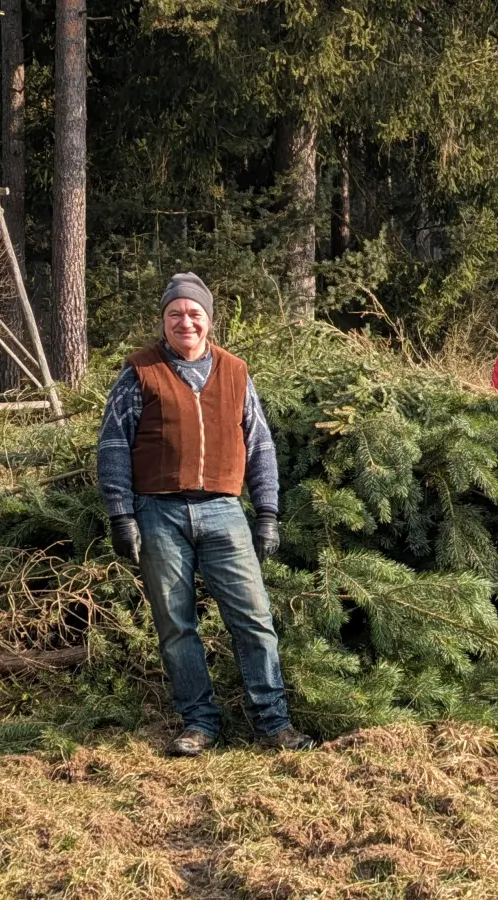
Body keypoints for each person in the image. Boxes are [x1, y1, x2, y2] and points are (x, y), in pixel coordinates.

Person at [98, 272, 315, 756]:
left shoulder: (236, 372)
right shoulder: (139, 372)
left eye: (194, 313)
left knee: (254, 619)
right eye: (175, 313)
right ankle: (199, 722)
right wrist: (121, 516)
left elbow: (260, 445)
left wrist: (267, 513)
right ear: (163, 321)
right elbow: (113, 445)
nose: (185, 321)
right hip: (158, 513)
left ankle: (273, 723)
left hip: (224, 511)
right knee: (175, 625)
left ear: (209, 321)